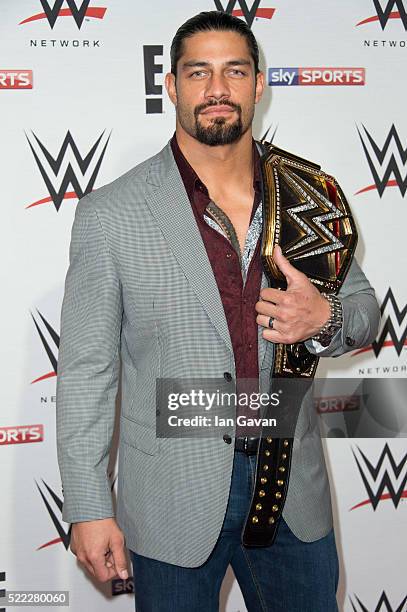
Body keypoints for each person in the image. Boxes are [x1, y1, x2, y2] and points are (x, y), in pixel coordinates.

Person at [56, 10, 381, 612]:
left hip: (292, 488)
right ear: (172, 86)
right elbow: (86, 371)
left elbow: (365, 312)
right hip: (171, 496)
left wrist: (325, 321)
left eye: (234, 71)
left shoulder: (309, 193)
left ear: (259, 85)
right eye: (198, 72)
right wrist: (88, 506)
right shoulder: (111, 212)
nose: (217, 89)